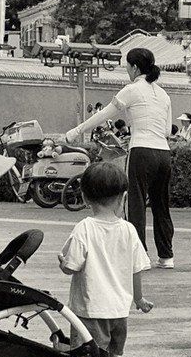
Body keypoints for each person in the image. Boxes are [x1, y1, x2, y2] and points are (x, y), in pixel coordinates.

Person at [64, 48, 176, 269]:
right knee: (161, 205)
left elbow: (104, 114)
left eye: (127, 66)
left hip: (141, 150)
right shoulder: (164, 94)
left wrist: (77, 131)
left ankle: (140, 256)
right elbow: (166, 131)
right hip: (163, 153)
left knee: (135, 204)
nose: (127, 70)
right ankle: (166, 256)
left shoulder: (132, 90)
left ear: (134, 67)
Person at [57, 162, 153, 357]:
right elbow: (136, 269)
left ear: (84, 197)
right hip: (119, 310)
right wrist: (139, 298)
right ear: (123, 198)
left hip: (92, 308)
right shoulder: (129, 230)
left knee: (95, 352)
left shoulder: (84, 229)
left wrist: (62, 263)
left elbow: (72, 266)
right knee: (113, 352)